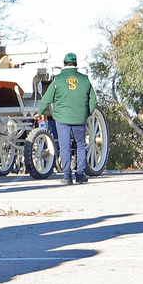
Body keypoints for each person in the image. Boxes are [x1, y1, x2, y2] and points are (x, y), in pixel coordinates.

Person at [37, 52, 97, 185]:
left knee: (65, 146)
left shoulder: (57, 80)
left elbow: (46, 99)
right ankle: (80, 174)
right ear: (76, 64)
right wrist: (86, 113)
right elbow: (93, 101)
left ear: (64, 64)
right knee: (81, 145)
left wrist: (40, 112)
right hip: (79, 118)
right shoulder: (85, 79)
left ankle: (67, 176)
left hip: (62, 118)